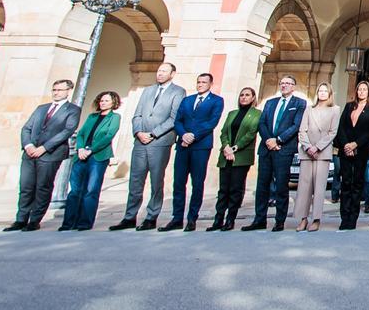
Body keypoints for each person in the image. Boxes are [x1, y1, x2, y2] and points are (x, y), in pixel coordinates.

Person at [109, 62, 186, 231]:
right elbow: (137, 114)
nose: (160, 73)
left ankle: (151, 217)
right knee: (135, 181)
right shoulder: (148, 90)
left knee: (156, 181)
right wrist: (138, 132)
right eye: (159, 71)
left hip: (160, 142)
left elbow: (174, 118)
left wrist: (153, 134)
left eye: (164, 71)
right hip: (140, 141)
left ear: (172, 74)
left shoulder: (178, 92)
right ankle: (129, 216)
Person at [5, 79, 80, 232]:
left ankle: (35, 220)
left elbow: (67, 131)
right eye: (54, 89)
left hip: (50, 155)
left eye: (60, 90)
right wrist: (28, 145)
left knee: (42, 187)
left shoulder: (73, 110)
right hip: (30, 153)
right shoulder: (41, 108)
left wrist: (44, 148)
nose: (56, 93)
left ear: (68, 91)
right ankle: (20, 219)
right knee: (26, 187)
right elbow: (26, 128)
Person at [161, 73, 224, 232]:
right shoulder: (187, 100)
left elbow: (212, 122)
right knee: (178, 183)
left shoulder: (217, 101)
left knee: (197, 183)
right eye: (199, 82)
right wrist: (183, 134)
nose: (200, 84)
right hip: (183, 145)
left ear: (210, 84)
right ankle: (177, 218)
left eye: (204, 82)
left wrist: (193, 136)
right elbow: (178, 120)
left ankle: (192, 218)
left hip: (201, 146)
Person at [243, 75, 307, 232]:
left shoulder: (299, 103)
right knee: (262, 186)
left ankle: (280, 221)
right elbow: (262, 123)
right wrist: (269, 140)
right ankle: (259, 219)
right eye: (282, 83)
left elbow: (296, 125)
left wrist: (278, 140)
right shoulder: (270, 102)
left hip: (283, 150)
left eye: (288, 83)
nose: (284, 85)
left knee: (281, 186)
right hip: (266, 149)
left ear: (293, 86)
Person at [58, 91, 121, 231]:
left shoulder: (115, 117)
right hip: (81, 155)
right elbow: (81, 133)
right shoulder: (92, 116)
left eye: (106, 100)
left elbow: (108, 136)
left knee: (91, 189)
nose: (103, 103)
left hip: (98, 156)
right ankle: (68, 223)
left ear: (113, 102)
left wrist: (91, 150)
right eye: (101, 100)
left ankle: (84, 222)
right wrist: (80, 148)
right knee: (75, 190)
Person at [208, 87, 261, 231]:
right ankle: (218, 220)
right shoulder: (232, 113)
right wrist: (226, 147)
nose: (243, 97)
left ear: (253, 98)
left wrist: (235, 148)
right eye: (242, 95)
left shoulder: (257, 114)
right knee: (223, 190)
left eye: (247, 95)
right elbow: (224, 132)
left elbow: (251, 133)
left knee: (235, 189)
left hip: (241, 156)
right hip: (226, 155)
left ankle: (230, 220)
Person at [293, 83, 342, 232]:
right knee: (304, 187)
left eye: (325, 91)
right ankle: (302, 218)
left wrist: (317, 147)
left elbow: (333, 132)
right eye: (320, 90)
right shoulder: (309, 109)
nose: (322, 93)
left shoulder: (335, 110)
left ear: (330, 94)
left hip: (322, 152)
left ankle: (316, 219)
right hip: (307, 152)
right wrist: (308, 147)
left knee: (319, 188)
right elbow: (302, 130)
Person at [334, 79, 369, 230]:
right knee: (345, 183)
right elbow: (341, 127)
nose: (361, 92)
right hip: (345, 150)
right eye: (359, 89)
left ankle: (353, 218)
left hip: (361, 151)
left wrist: (355, 144)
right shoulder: (349, 106)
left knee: (357, 184)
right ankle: (344, 217)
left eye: (364, 89)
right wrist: (346, 144)